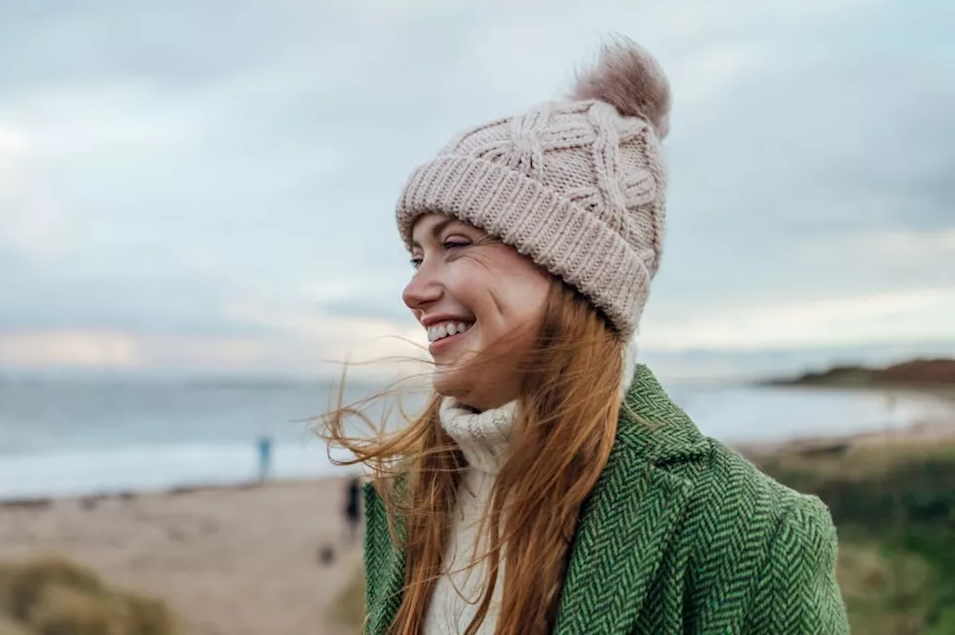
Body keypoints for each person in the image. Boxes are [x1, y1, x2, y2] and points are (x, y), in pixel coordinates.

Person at [322, 38, 848, 634]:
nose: (414, 292)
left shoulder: (753, 533)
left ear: (577, 272)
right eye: (416, 256)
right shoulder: (404, 496)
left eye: (455, 245)